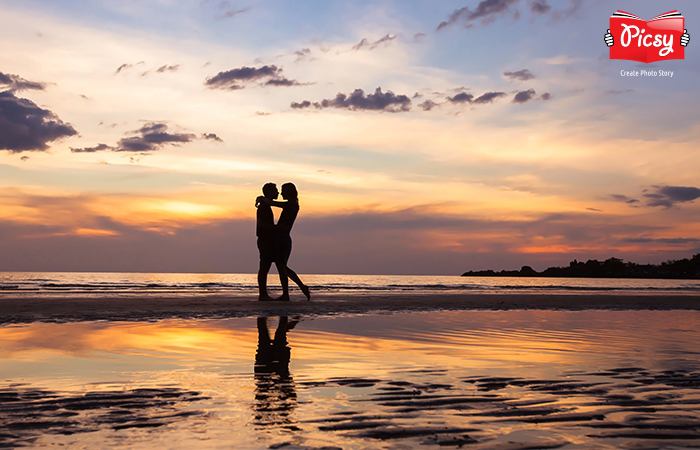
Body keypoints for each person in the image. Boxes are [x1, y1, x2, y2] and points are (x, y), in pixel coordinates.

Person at [257, 182, 310, 301]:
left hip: (282, 238)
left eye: (283, 191)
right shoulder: (291, 204)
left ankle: (292, 291)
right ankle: (293, 291)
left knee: (281, 267)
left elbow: (273, 203)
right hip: (279, 238)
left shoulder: (291, 204)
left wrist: (262, 198)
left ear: (289, 192)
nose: (280, 193)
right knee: (281, 267)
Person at [256, 182, 288, 301]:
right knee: (264, 267)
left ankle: (264, 294)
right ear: (269, 192)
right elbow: (261, 224)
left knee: (266, 267)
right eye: (275, 190)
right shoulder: (264, 207)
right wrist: (276, 228)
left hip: (268, 240)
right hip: (265, 240)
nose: (278, 193)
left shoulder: (266, 205)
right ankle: (263, 294)